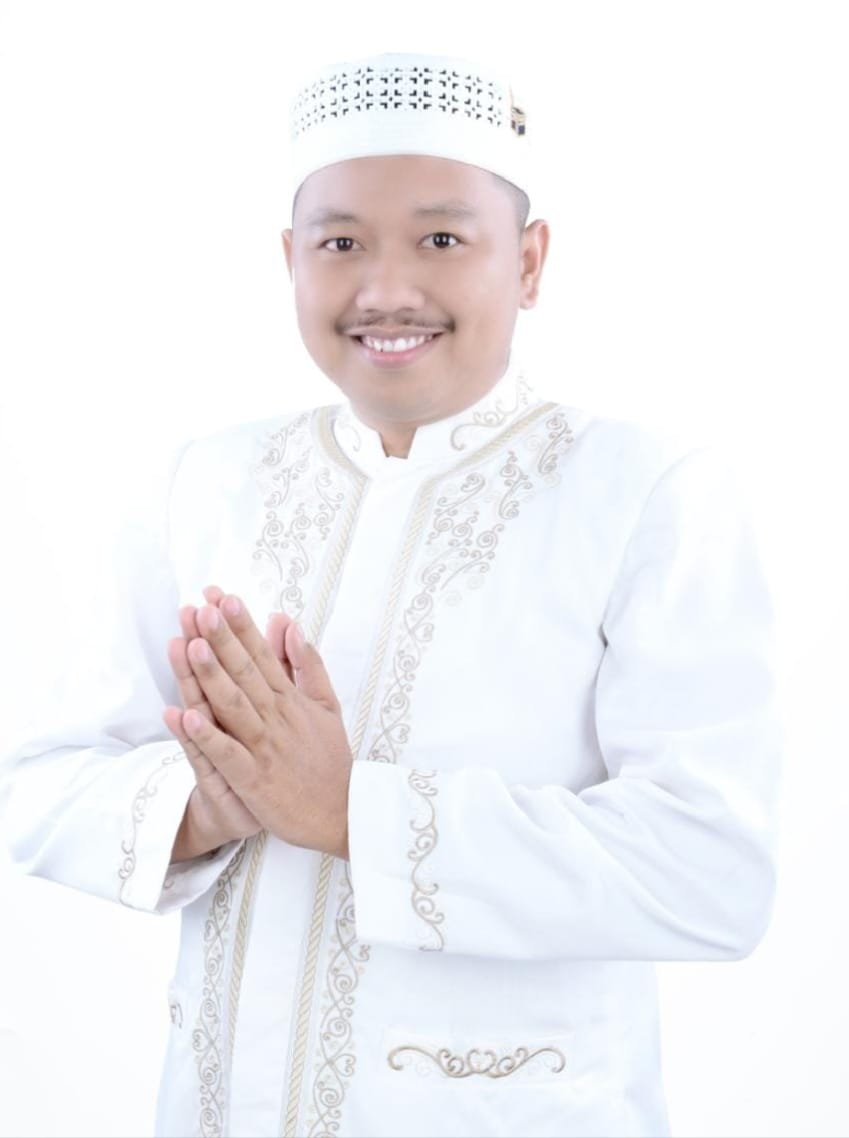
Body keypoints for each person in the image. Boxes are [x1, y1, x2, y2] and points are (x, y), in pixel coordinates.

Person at [1, 50, 782, 1138]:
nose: (385, 290)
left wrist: (349, 813)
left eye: (441, 240)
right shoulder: (207, 482)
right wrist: (210, 805)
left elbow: (710, 871)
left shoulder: (642, 492)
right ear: (289, 260)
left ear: (529, 261)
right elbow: (37, 781)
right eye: (341, 243)